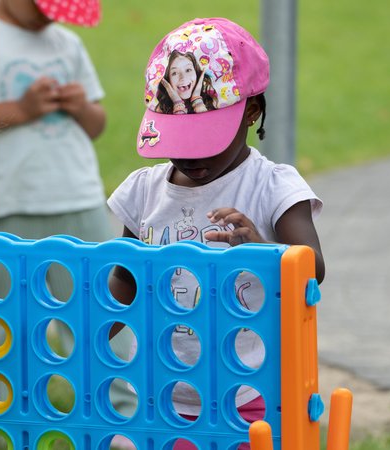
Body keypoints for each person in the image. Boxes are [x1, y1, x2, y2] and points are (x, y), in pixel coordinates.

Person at [108, 18, 325, 450]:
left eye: (205, 140)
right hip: (158, 391)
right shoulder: (144, 191)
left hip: (249, 393)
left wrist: (263, 253)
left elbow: (312, 268)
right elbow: (123, 282)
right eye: (179, 139)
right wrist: (86, 327)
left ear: (252, 112)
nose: (191, 156)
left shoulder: (272, 187)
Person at [0, 0, 138, 418]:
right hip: (11, 204)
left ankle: (121, 420)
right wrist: (22, 109)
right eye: (40, 6)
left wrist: (81, 107)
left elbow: (97, 123)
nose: (48, 15)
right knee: (7, 327)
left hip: (78, 196)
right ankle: (7, 424)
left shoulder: (65, 42)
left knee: (105, 318)